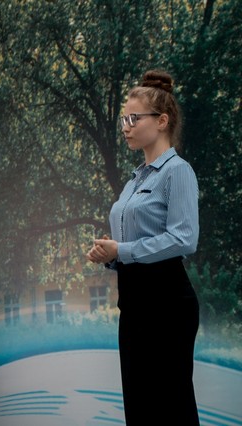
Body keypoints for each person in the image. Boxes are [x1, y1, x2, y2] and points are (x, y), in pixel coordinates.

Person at [86, 70, 200, 425]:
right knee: (140, 410)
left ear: (162, 121)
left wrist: (121, 251)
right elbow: (131, 244)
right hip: (134, 304)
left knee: (171, 409)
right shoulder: (136, 179)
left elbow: (184, 238)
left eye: (133, 118)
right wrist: (110, 256)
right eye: (124, 119)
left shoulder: (177, 171)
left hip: (168, 304)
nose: (126, 127)